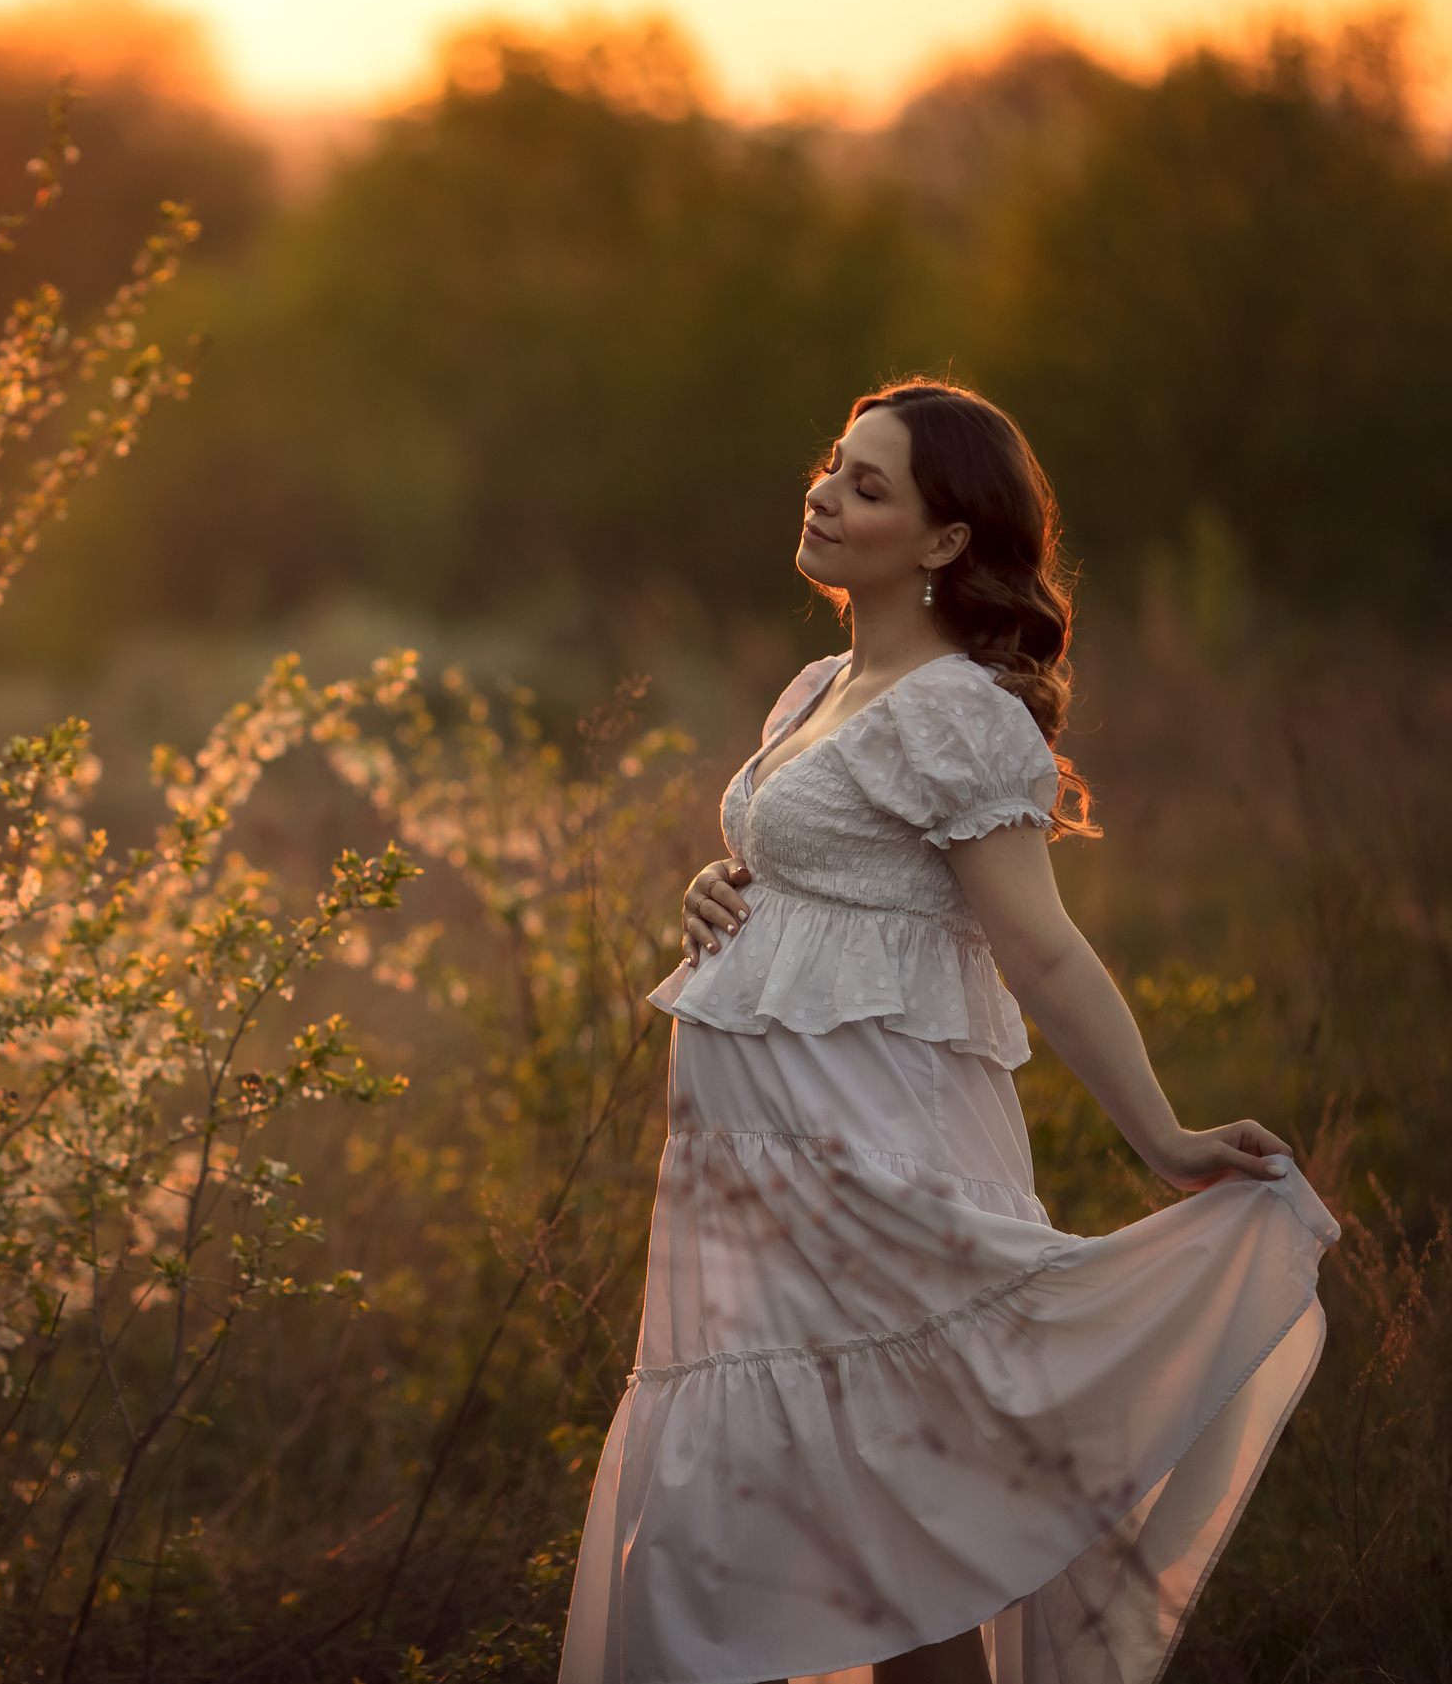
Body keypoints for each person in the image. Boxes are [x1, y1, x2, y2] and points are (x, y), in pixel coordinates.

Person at [556, 381, 1336, 1684]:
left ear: (944, 543)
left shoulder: (960, 713)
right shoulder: (818, 684)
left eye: (871, 486)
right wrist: (721, 877)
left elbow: (1039, 945)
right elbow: (828, 868)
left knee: (891, 1532)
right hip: (754, 1195)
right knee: (833, 1534)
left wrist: (1164, 1134)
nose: (827, 493)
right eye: (834, 466)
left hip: (871, 1169)